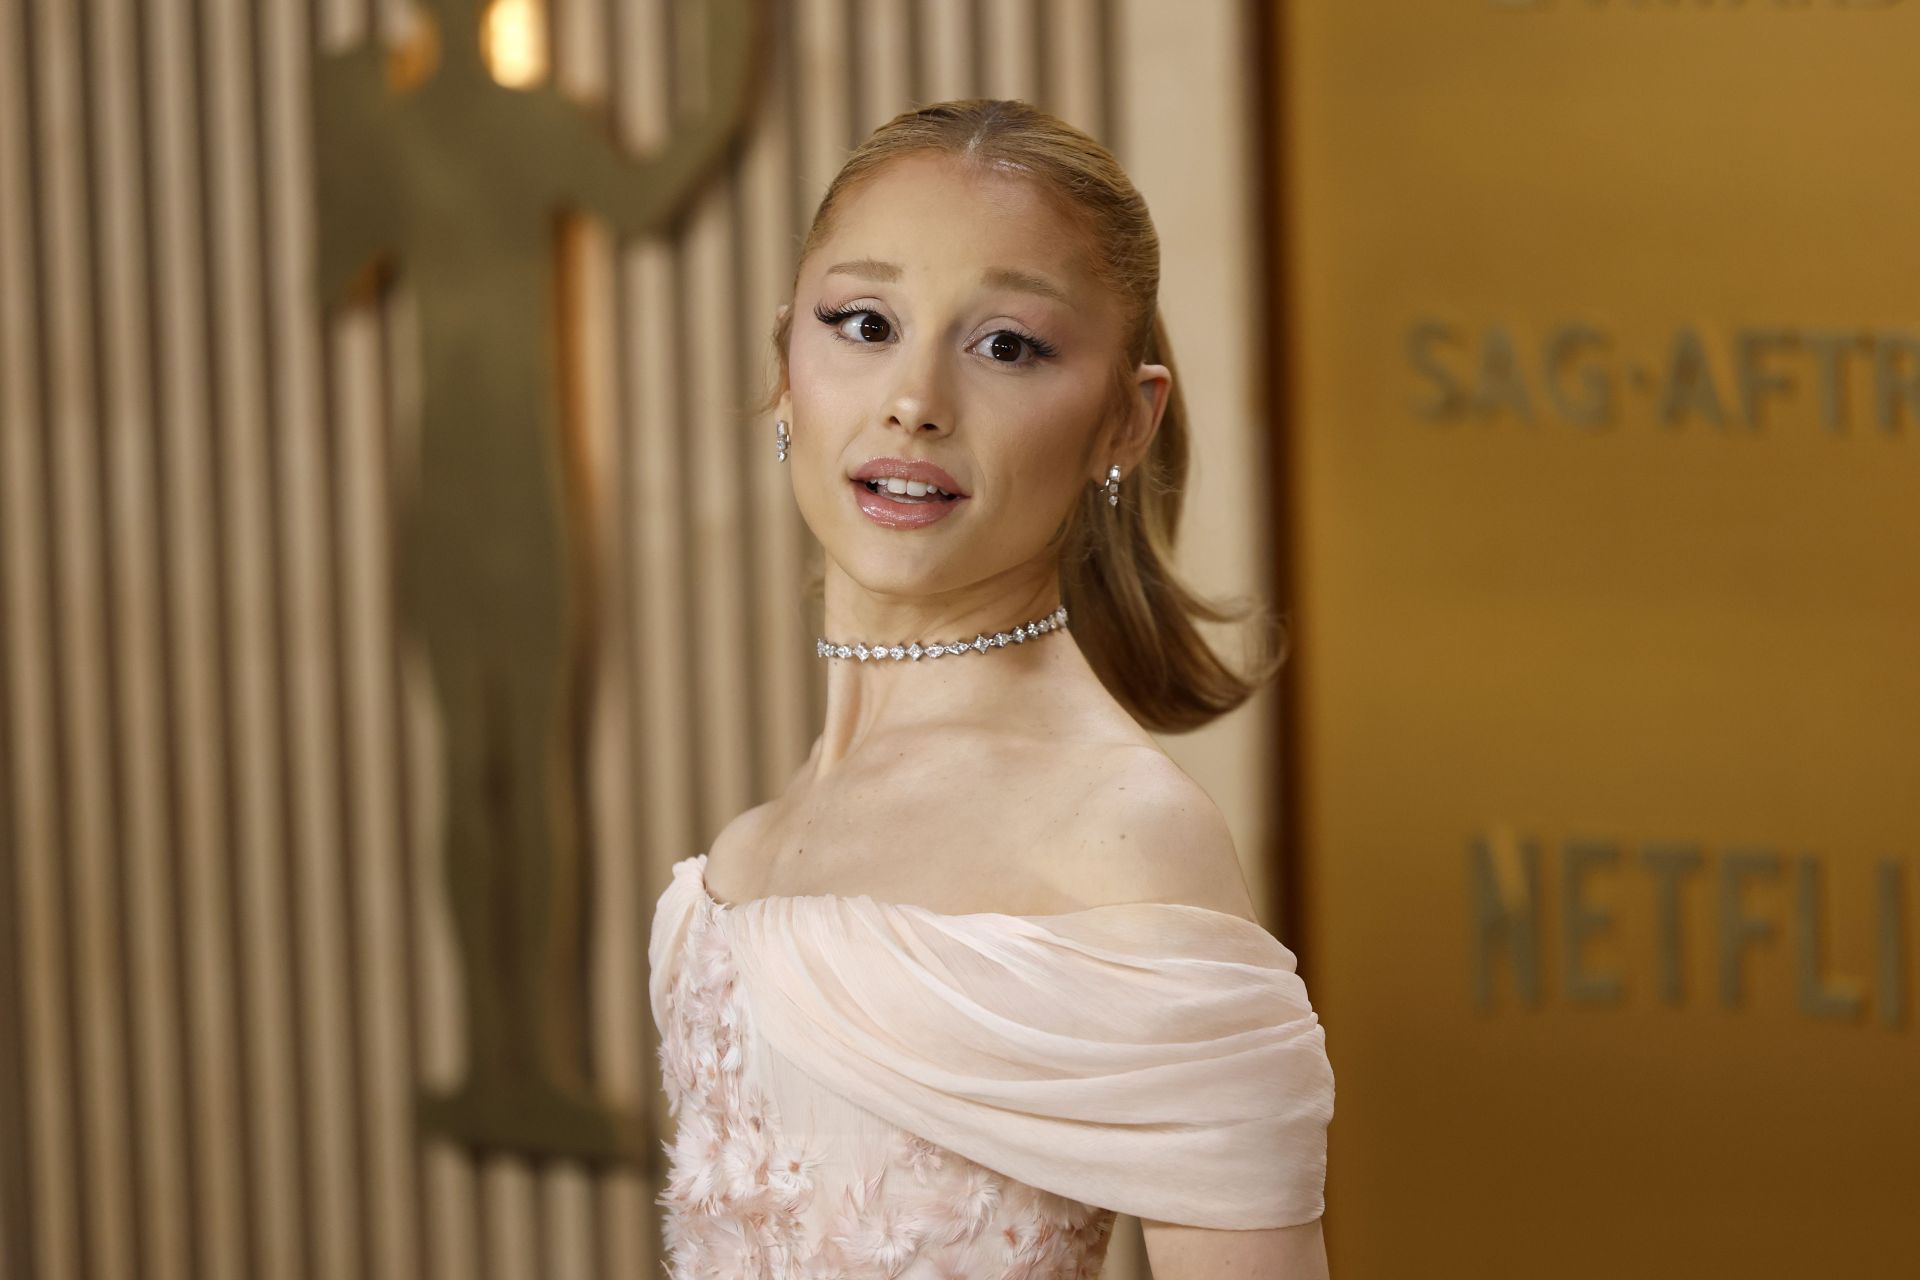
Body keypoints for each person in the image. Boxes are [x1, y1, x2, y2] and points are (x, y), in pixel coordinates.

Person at [648, 98, 1334, 1279]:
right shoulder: (749, 849)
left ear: (1127, 417)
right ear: (783, 369)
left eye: (1007, 343)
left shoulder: (1122, 834)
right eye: (863, 321)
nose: (914, 397)